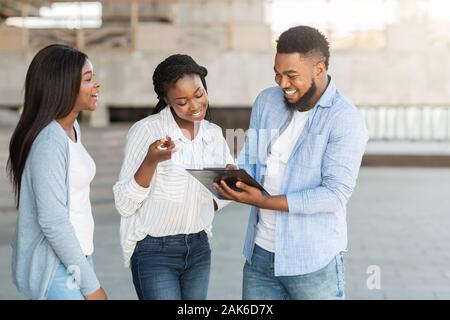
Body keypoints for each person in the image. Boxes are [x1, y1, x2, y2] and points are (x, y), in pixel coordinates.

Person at [214, 26, 368, 300]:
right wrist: (234, 179)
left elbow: (334, 195)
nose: (282, 83)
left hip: (312, 263)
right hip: (260, 256)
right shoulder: (267, 101)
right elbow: (250, 159)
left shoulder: (345, 119)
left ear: (318, 69)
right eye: (277, 73)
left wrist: (263, 201)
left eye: (291, 75)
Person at [113, 54, 234, 300]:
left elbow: (223, 192)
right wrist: (151, 161)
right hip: (154, 252)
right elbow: (124, 204)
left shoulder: (213, 134)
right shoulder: (146, 131)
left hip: (199, 248)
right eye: (182, 101)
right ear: (166, 100)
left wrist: (221, 192)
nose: (194, 105)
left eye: (199, 95)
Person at [8, 44, 107, 300]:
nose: (97, 84)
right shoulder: (49, 141)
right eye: (88, 79)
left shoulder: (71, 130)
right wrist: (91, 286)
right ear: (63, 85)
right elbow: (52, 221)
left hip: (77, 259)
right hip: (58, 269)